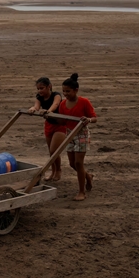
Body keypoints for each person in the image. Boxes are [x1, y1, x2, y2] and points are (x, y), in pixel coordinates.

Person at [58, 73, 97, 201]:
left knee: (79, 162)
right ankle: (88, 176)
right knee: (72, 164)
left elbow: (94, 118)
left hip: (81, 133)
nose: (65, 94)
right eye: (64, 91)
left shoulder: (84, 102)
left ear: (76, 90)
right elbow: (62, 121)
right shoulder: (63, 104)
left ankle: (82, 192)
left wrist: (88, 120)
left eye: (68, 91)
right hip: (69, 134)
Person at [27, 77, 66, 181]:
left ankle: (58, 170)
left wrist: (48, 111)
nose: (40, 91)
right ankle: (53, 171)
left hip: (60, 124)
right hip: (49, 124)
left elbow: (56, 104)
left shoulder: (56, 95)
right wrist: (33, 109)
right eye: (38, 89)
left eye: (42, 88)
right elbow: (36, 106)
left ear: (49, 87)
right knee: (50, 151)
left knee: (54, 150)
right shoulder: (39, 97)